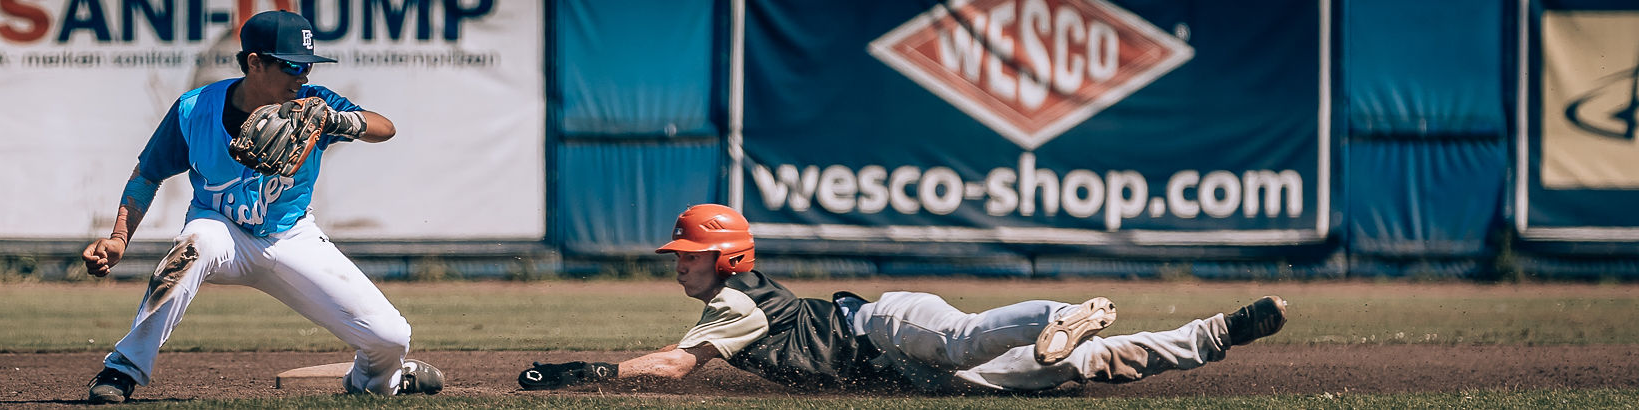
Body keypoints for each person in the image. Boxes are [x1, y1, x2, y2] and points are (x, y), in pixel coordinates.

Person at [520, 204, 1288, 393]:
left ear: (722, 258)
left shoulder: (735, 305)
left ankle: (1058, 314)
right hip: (912, 373)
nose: (676, 266)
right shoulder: (735, 298)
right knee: (1086, 367)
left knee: (964, 338)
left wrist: (592, 373)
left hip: (885, 324)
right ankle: (1218, 332)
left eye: (686, 256)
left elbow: (674, 365)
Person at [77, 11, 441, 403]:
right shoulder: (195, 108)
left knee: (391, 336)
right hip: (222, 230)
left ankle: (376, 380)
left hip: (292, 235)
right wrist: (119, 238)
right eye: (292, 65)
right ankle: (122, 369)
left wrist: (338, 121)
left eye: (308, 66)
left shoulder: (313, 105)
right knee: (194, 247)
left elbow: (384, 127)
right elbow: (147, 174)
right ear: (255, 62)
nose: (303, 75)